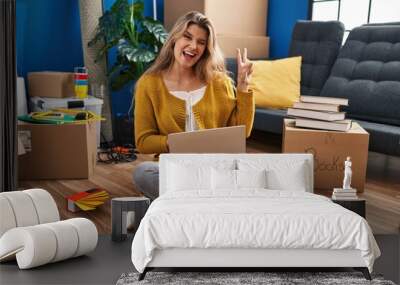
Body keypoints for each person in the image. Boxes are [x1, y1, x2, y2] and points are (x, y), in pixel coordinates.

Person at [132, 11, 255, 200]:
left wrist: (243, 87)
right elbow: (143, 141)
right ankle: (204, 200)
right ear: (174, 39)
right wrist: (177, 143)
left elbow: (242, 131)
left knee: (251, 171)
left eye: (201, 42)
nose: (193, 46)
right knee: (143, 172)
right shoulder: (149, 84)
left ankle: (180, 201)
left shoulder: (219, 82)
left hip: (215, 168)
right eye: (187, 37)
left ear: (207, 48)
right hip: (175, 169)